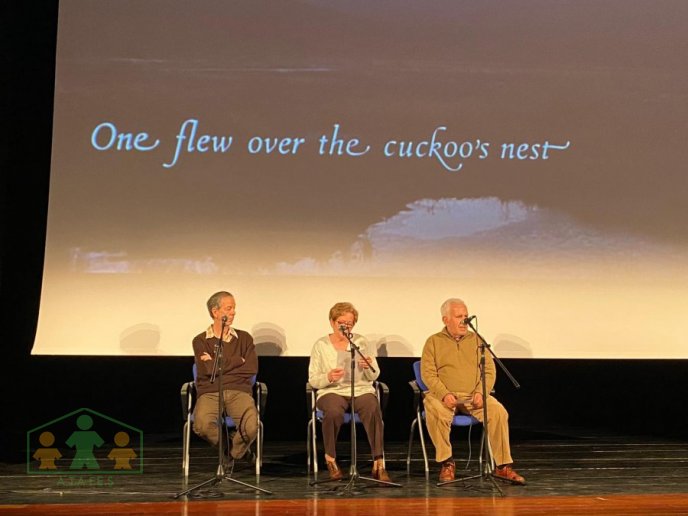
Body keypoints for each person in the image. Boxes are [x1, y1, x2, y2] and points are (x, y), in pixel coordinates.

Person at [420, 298, 526, 485]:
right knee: (433, 408)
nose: (464, 321)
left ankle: (502, 466)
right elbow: (428, 374)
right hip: (443, 397)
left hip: (473, 397)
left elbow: (489, 371)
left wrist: (481, 392)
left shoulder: (477, 341)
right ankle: (447, 463)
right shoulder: (433, 341)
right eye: (459, 316)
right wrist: (444, 394)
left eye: (466, 316)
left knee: (498, 411)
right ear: (445, 320)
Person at [308, 302, 391, 482]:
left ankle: (379, 462)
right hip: (331, 390)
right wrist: (329, 376)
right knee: (334, 411)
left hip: (360, 389)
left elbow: (374, 374)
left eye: (350, 323)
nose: (345, 326)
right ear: (332, 322)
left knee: (371, 405)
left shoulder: (360, 342)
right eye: (341, 322)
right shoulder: (321, 345)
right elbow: (313, 379)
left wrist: (366, 366)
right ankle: (331, 459)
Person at [192, 291, 258, 466]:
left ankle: (232, 453)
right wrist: (237, 361)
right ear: (215, 312)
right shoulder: (200, 341)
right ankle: (237, 451)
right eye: (229, 308)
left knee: (251, 427)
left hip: (239, 390)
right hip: (210, 391)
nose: (234, 312)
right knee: (202, 425)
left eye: (234, 308)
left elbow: (251, 368)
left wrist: (217, 363)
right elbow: (206, 370)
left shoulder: (244, 339)